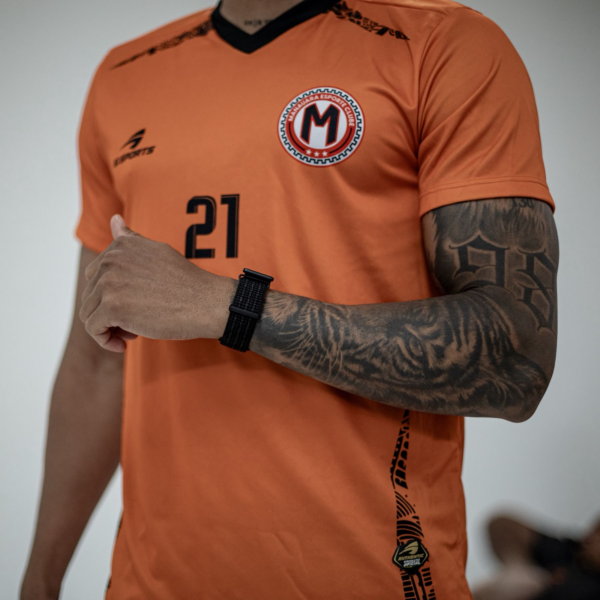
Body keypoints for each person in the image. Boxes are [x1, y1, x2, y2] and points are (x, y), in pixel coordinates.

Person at [20, 0, 559, 598]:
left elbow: (517, 360)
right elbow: (97, 362)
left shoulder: (441, 44)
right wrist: (39, 580)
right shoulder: (124, 75)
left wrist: (231, 307)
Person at [472, 513, 600, 600]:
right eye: (594, 530)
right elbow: (502, 526)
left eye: (598, 534)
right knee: (525, 582)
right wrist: (518, 567)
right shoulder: (572, 551)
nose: (589, 537)